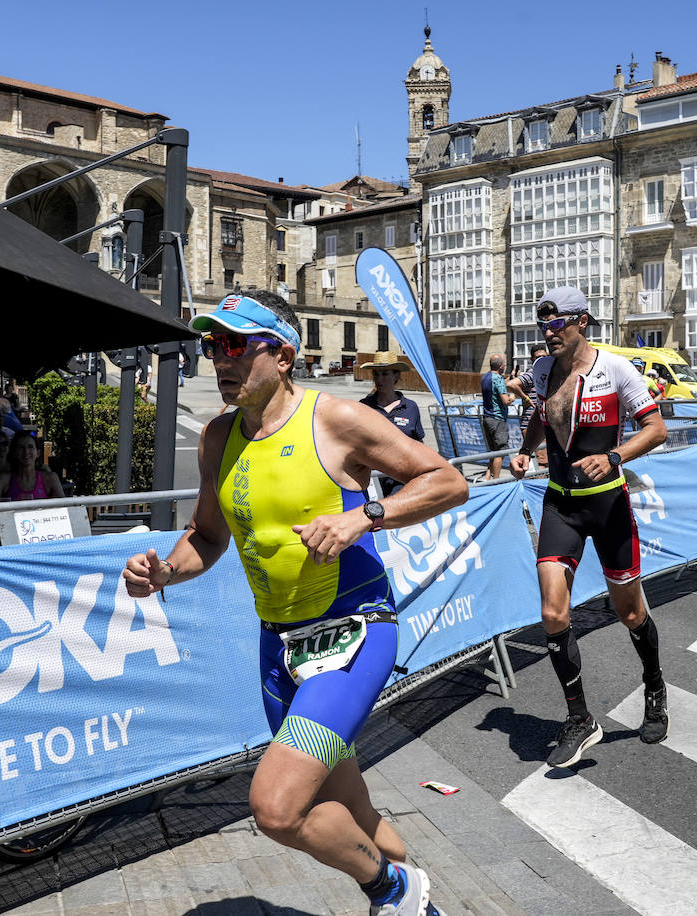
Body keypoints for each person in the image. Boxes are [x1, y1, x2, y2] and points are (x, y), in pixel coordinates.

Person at [122, 289, 466, 916]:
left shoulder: (335, 419)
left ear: (281, 354)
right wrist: (166, 572)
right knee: (352, 811)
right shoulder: (218, 436)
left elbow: (448, 481)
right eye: (211, 347)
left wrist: (366, 515)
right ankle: (421, 907)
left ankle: (393, 891)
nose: (218, 360)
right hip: (278, 644)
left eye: (233, 345)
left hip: (354, 628)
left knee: (278, 809)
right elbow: (208, 536)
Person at [509, 286, 670, 767]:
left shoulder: (615, 368)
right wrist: (524, 447)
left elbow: (656, 429)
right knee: (554, 614)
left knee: (630, 613)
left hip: (608, 505)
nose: (547, 332)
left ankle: (655, 684)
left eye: (556, 323)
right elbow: (543, 416)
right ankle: (579, 719)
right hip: (561, 503)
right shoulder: (541, 370)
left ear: (581, 321)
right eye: (542, 323)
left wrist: (614, 456)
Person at [358, 352, 426, 497]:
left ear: (396, 376)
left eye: (385, 374)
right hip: (370, 479)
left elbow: (419, 443)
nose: (379, 379)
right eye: (376, 374)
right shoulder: (364, 406)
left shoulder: (410, 407)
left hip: (401, 479)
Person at [0, 431, 65, 502]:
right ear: (14, 452)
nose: (26, 451)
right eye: (21, 447)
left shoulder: (50, 479)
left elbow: (63, 509)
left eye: (30, 447)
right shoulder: (4, 479)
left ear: (38, 453)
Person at [480, 353, 512, 481]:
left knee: (493, 451)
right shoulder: (498, 379)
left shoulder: (485, 377)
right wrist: (513, 397)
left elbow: (495, 386)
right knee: (501, 451)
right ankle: (497, 481)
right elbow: (505, 400)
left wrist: (509, 380)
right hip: (498, 418)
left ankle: (488, 477)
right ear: (500, 366)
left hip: (487, 417)